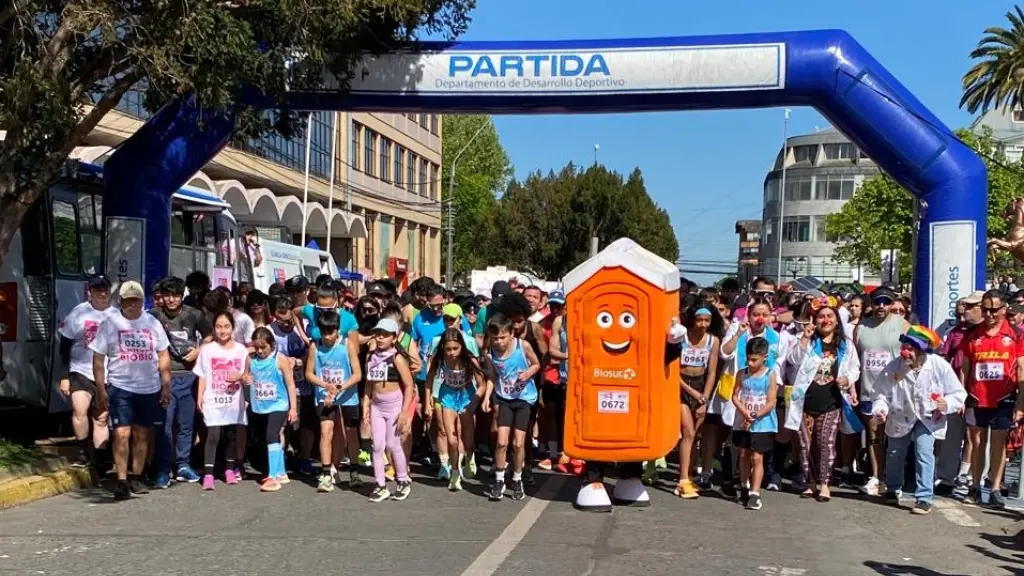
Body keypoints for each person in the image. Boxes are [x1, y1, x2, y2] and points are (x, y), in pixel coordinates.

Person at [90, 281, 171, 500]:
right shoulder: (110, 324)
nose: (133, 305)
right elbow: (98, 358)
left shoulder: (152, 323)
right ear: (122, 301)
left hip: (148, 388)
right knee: (122, 434)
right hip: (120, 387)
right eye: (129, 300)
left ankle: (137, 476)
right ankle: (122, 480)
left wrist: (165, 385)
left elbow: (163, 355)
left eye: (137, 300)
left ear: (142, 301)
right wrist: (101, 388)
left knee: (142, 434)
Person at [872, 325, 967, 514]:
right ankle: (892, 489)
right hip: (900, 416)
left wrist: (946, 403)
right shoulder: (893, 367)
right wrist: (881, 409)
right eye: (904, 348)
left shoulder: (939, 365)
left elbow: (958, 392)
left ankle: (924, 497)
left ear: (922, 350)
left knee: (924, 453)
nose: (905, 353)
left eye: (911, 349)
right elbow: (880, 394)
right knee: (894, 453)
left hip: (928, 417)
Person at [785, 295, 861, 502]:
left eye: (829, 316)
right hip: (805, 402)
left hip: (832, 401)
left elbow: (855, 368)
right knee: (805, 444)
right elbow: (792, 361)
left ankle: (825, 483)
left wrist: (848, 379)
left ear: (837, 320)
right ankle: (810, 482)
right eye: (820, 317)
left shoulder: (845, 345)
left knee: (826, 442)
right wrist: (805, 338)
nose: (825, 320)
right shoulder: (809, 342)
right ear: (814, 320)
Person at [959, 289, 1024, 508]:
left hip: (1004, 397)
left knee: (999, 446)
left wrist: (1020, 403)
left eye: (994, 310)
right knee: (977, 443)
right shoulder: (973, 334)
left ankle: (994, 488)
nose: (989, 315)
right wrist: (961, 395)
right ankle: (975, 486)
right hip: (978, 397)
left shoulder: (1015, 334)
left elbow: (1022, 369)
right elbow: (965, 368)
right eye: (985, 310)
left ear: (1004, 310)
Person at [149, 276, 211, 487]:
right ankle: (163, 469)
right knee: (165, 426)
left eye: (176, 295)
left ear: (182, 295)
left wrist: (199, 350)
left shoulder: (194, 314)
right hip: (165, 378)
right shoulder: (153, 316)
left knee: (186, 425)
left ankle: (183, 465)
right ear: (162, 297)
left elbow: (210, 336)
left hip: (190, 377)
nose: (172, 300)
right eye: (167, 295)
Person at [853, 286, 910, 496]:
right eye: (877, 302)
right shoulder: (861, 328)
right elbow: (856, 359)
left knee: (895, 437)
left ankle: (894, 479)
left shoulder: (902, 325)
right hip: (869, 391)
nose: (881, 306)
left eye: (886, 302)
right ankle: (876, 477)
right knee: (874, 436)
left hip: (895, 391)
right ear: (871, 303)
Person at [58, 274, 118, 468]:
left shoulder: (117, 315)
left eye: (105, 289)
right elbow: (64, 346)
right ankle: (83, 451)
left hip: (107, 373)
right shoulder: (78, 313)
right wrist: (64, 376)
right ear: (89, 292)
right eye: (97, 290)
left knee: (101, 418)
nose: (102, 293)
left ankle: (100, 458)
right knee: (79, 410)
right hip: (80, 370)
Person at [485, 312, 542, 502]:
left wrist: (528, 374)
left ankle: (517, 478)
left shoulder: (522, 346)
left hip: (524, 398)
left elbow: (536, 364)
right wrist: (487, 397)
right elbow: (492, 377)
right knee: (501, 441)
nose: (499, 342)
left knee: (518, 442)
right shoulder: (491, 353)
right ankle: (500, 479)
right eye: (495, 338)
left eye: (502, 337)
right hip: (504, 398)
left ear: (511, 334)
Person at [425, 328, 489, 492]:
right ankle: (454, 474)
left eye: (455, 348)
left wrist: (474, 402)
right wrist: (427, 402)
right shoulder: (439, 360)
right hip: (447, 397)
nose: (452, 353)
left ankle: (469, 455)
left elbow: (482, 384)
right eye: (448, 349)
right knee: (451, 439)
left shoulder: (469, 361)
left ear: (461, 346)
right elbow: (429, 381)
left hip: (466, 396)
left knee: (466, 440)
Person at [306, 309, 363, 492]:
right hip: (325, 395)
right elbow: (309, 373)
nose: (328, 337)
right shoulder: (315, 347)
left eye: (331, 332)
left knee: (350, 432)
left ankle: (354, 470)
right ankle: (325, 474)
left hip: (347, 395)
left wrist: (339, 388)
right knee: (326, 431)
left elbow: (357, 374)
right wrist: (325, 385)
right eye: (324, 332)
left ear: (338, 330)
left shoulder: (347, 345)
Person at [670, 304, 722, 498]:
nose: (702, 325)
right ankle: (683, 478)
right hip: (682, 386)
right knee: (688, 431)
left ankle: (687, 476)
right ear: (692, 319)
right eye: (699, 320)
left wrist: (705, 398)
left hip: (701, 388)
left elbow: (711, 371)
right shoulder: (681, 337)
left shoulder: (713, 341)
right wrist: (691, 392)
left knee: (694, 436)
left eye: (706, 321)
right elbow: (673, 370)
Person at [194, 311, 250, 490]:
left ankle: (229, 469)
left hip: (234, 400)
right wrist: (200, 396)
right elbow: (202, 375)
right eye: (218, 326)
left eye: (226, 326)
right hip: (213, 398)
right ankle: (209, 473)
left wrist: (240, 376)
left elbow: (247, 374)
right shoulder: (208, 350)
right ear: (213, 328)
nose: (223, 330)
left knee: (231, 435)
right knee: (213, 435)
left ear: (233, 328)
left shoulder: (241, 350)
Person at [363, 318, 416, 502]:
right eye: (378, 334)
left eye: (385, 335)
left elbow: (409, 385)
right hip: (376, 406)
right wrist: (366, 407)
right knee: (377, 446)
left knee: (393, 444)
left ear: (394, 338)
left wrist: (404, 412)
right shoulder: (370, 357)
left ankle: (402, 480)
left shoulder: (397, 358)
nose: (380, 338)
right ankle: (380, 484)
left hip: (394, 405)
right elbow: (369, 385)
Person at [247, 327, 298, 492]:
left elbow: (290, 384)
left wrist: (293, 408)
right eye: (257, 347)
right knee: (265, 437)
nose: (260, 351)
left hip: (279, 404)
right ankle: (282, 472)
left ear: (272, 345)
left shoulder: (279, 359)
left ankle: (273, 476)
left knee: (272, 434)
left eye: (264, 347)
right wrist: (244, 379)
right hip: (260, 405)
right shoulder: (251, 359)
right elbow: (246, 376)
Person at [731, 336, 779, 511]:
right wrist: (745, 413)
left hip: (762, 423)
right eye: (748, 359)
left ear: (764, 357)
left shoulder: (770, 375)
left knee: (756, 457)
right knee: (743, 454)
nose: (750, 363)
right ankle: (744, 484)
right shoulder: (741, 374)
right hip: (743, 421)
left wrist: (755, 414)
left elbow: (771, 401)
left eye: (754, 359)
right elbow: (735, 395)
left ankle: (755, 493)